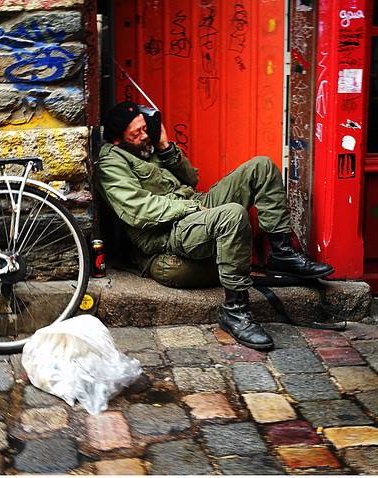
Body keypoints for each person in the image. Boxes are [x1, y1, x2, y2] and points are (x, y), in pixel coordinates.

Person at [96, 102, 334, 351]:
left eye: (145, 128)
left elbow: (191, 179)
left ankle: (282, 252)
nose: (144, 135)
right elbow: (138, 210)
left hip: (194, 206)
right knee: (232, 215)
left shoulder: (148, 147)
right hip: (168, 232)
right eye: (136, 133)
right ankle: (235, 311)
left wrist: (165, 147)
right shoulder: (111, 164)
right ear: (117, 141)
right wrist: (192, 209)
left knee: (261, 166)